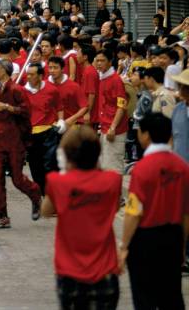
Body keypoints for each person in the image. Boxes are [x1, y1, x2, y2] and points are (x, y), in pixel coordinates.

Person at [42, 126, 122, 309]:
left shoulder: (58, 181)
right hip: (105, 271)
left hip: (69, 272)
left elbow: (46, 211)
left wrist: (63, 170)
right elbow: (115, 206)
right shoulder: (112, 181)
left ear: (66, 155)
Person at [118, 112, 189, 309]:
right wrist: (182, 245)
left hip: (145, 240)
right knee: (172, 295)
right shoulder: (182, 168)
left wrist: (124, 246)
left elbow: (133, 212)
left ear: (146, 135)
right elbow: (186, 214)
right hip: (173, 237)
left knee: (144, 297)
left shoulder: (142, 169)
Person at [0, 59, 42, 229]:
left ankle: (35, 193)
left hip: (14, 139)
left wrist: (7, 107)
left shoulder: (17, 89)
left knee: (17, 179)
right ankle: (3, 216)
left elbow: (26, 111)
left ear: (4, 71)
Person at [24, 63, 64, 194]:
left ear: (40, 76)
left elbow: (59, 108)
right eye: (27, 74)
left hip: (48, 133)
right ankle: (43, 194)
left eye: (32, 74)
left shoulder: (51, 90)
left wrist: (61, 121)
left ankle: (53, 195)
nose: (29, 77)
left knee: (50, 165)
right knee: (35, 166)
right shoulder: (22, 92)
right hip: (30, 134)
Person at [94, 49, 128, 176]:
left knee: (113, 166)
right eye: (97, 60)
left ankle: (116, 195)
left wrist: (113, 127)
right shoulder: (103, 77)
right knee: (105, 164)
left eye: (102, 61)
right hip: (105, 127)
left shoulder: (115, 80)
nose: (99, 63)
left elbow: (121, 106)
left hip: (114, 129)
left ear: (109, 62)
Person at [171, 68, 189, 164]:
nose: (180, 89)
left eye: (184, 86)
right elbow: (173, 136)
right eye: (180, 86)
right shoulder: (178, 109)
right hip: (180, 165)